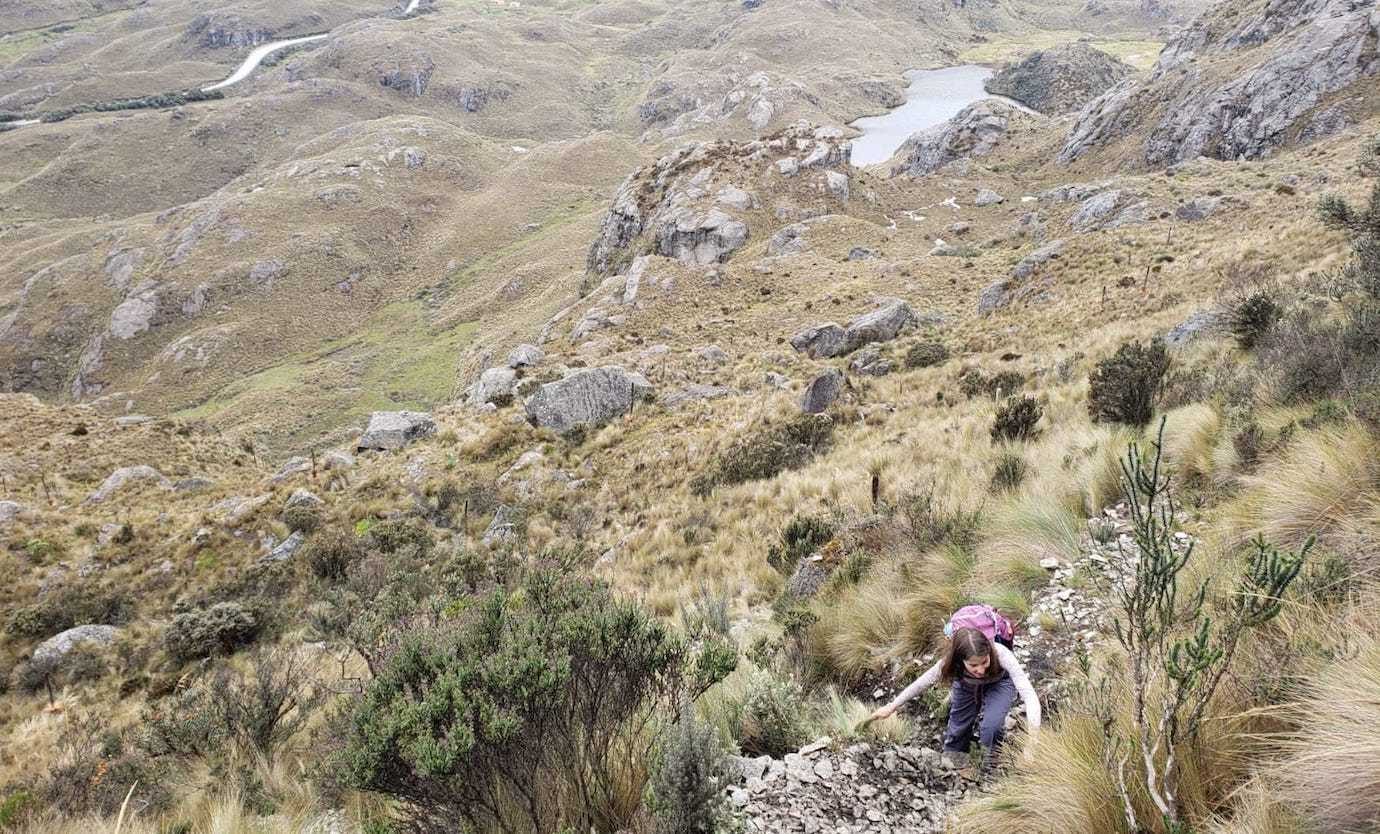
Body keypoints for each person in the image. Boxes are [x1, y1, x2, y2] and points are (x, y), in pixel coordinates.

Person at [868, 626, 1040, 775]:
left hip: (999, 683)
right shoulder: (950, 662)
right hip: (965, 684)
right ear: (960, 660)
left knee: (991, 727)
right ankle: (956, 766)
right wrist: (892, 705)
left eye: (984, 662)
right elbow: (922, 683)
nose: (980, 669)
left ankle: (987, 767)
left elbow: (1030, 696)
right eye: (973, 665)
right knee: (958, 727)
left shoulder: (1002, 654)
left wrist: (1032, 745)